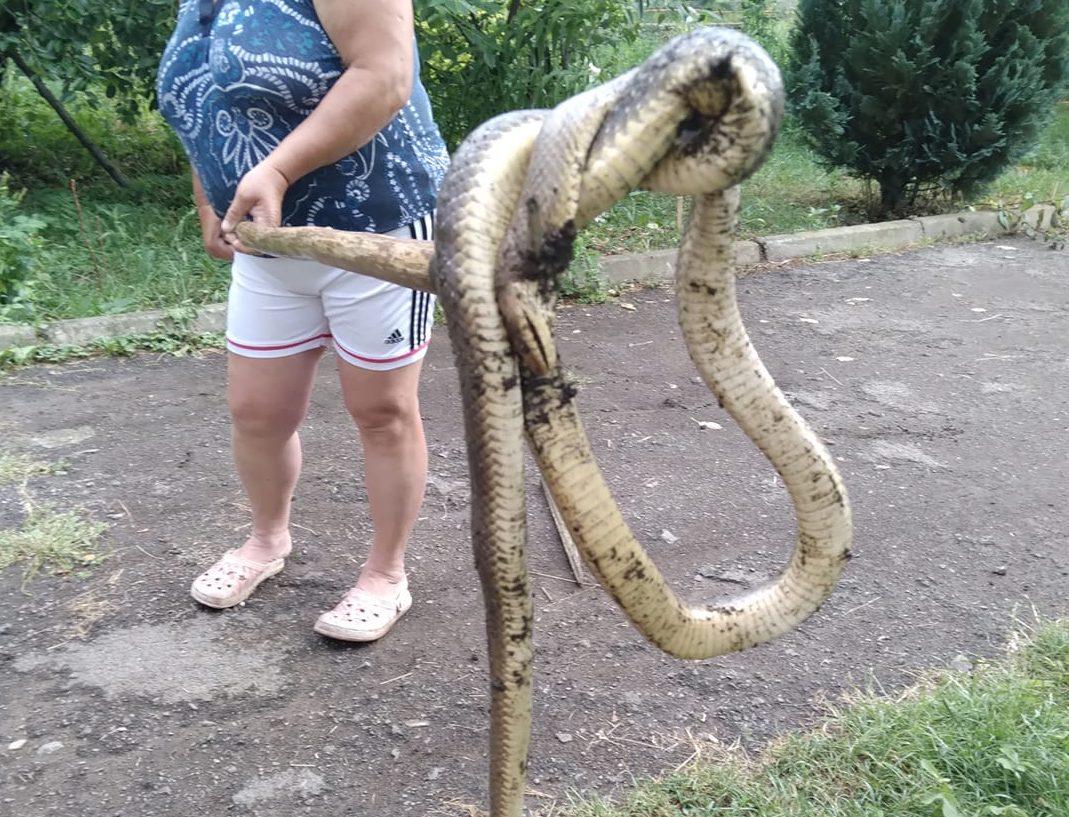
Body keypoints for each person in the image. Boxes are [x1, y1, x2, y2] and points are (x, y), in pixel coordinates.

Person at [156, 0, 450, 641]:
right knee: (257, 411)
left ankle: (385, 575)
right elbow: (203, 105)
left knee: (381, 411)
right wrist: (209, 194)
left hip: (378, 230)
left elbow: (384, 74)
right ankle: (266, 542)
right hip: (268, 243)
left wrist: (279, 169)